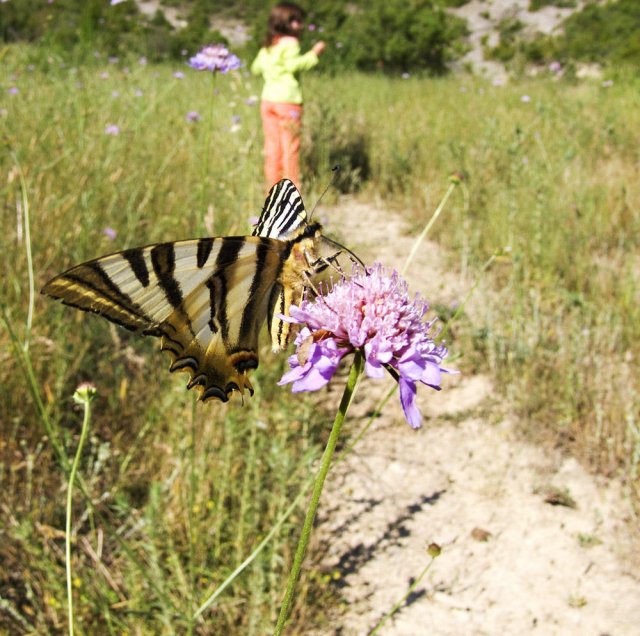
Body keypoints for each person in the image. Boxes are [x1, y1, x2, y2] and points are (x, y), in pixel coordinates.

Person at [251, 2, 325, 191]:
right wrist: (314, 54)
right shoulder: (291, 43)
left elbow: (255, 68)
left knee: (272, 148)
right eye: (296, 21)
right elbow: (295, 66)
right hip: (288, 102)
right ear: (286, 22)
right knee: (290, 150)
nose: (300, 25)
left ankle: (272, 190)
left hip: (268, 101)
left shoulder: (270, 44)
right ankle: (292, 192)